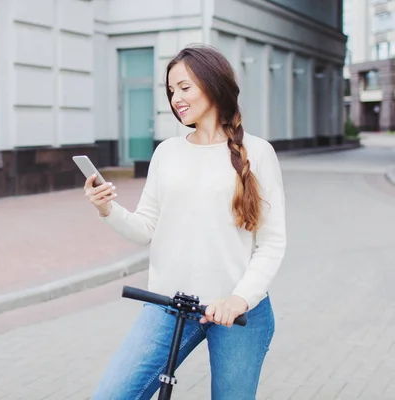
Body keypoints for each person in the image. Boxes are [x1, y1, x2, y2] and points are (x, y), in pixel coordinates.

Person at [85, 44, 287, 399]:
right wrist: (107, 209)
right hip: (170, 305)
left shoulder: (258, 153)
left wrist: (238, 300)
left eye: (184, 87)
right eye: (171, 89)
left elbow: (272, 242)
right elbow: (145, 227)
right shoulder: (167, 153)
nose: (175, 97)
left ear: (212, 84)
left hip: (239, 313)